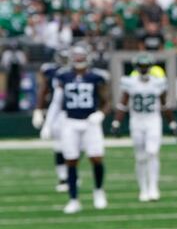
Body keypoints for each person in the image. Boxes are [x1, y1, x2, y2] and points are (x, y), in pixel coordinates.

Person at [40, 45, 110, 214]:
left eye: (81, 56)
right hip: (70, 122)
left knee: (96, 158)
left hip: (90, 122)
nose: (78, 59)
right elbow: (56, 102)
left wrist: (100, 114)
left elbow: (107, 101)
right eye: (76, 56)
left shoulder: (96, 77)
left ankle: (99, 191)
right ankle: (73, 199)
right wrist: (47, 124)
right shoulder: (63, 76)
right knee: (71, 160)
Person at [111, 54, 177, 202]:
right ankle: (143, 189)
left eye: (145, 66)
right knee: (140, 157)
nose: (143, 69)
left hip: (153, 120)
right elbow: (123, 104)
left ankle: (153, 187)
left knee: (152, 152)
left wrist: (172, 123)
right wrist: (116, 122)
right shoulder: (130, 82)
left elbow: (164, 104)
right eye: (141, 67)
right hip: (136, 121)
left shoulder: (158, 82)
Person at [32, 49, 70, 192]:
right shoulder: (53, 72)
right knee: (59, 146)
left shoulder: (81, 72)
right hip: (59, 113)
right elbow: (47, 93)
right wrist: (39, 111)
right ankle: (63, 177)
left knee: (77, 147)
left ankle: (70, 173)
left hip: (78, 113)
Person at [1, 40, 26, 112]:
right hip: (10, 75)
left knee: (17, 89)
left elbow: (23, 64)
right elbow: (4, 64)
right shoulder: (7, 53)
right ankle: (8, 104)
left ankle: (16, 105)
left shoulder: (20, 54)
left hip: (17, 75)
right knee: (9, 89)